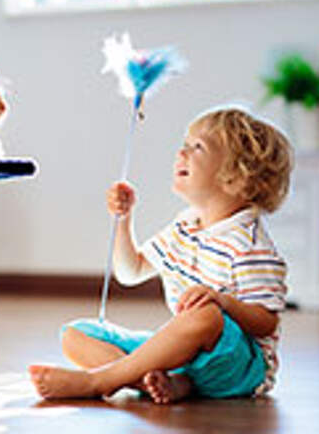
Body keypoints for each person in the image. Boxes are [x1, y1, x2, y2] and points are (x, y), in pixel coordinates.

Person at [29, 106, 293, 404]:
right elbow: (130, 272)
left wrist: (222, 302)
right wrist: (124, 220)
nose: (181, 152)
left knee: (206, 315)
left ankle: (100, 380)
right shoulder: (185, 226)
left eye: (197, 147)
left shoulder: (250, 244)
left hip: (240, 367)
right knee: (75, 334)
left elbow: (266, 322)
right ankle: (163, 382)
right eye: (185, 143)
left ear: (235, 178)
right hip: (190, 356)